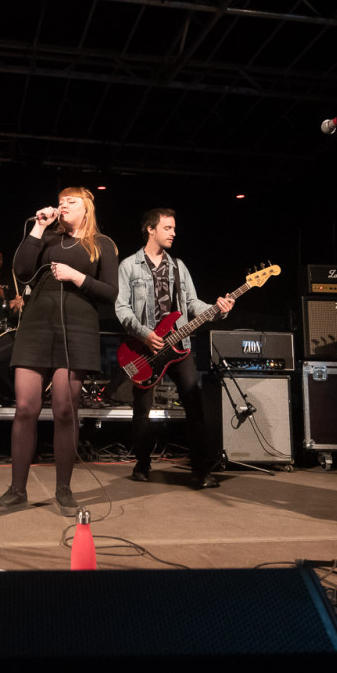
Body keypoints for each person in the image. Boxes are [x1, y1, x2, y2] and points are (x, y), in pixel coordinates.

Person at [0, 188, 118, 517]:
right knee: (26, 407)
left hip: (77, 329)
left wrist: (77, 277)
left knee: (63, 410)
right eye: (61, 201)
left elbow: (111, 293)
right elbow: (21, 270)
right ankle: (16, 491)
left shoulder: (102, 244)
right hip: (36, 326)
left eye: (71, 201)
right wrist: (39, 228)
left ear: (87, 209)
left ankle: (64, 489)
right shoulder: (46, 239)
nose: (63, 205)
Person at [114, 209, 234, 488]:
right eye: (167, 227)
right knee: (141, 410)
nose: (173, 232)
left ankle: (201, 470)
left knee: (194, 405)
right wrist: (145, 335)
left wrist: (219, 310)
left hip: (179, 346)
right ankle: (142, 464)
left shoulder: (179, 266)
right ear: (150, 229)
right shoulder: (129, 266)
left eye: (174, 228)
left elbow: (192, 305)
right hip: (144, 347)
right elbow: (121, 308)